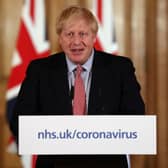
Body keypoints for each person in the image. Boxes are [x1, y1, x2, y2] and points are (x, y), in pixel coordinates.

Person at [10, 6, 145, 168]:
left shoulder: (120, 68)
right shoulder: (40, 70)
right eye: (69, 34)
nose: (76, 41)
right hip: (55, 164)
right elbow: (19, 120)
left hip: (107, 163)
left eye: (83, 34)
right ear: (60, 38)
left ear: (94, 36)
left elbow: (135, 116)